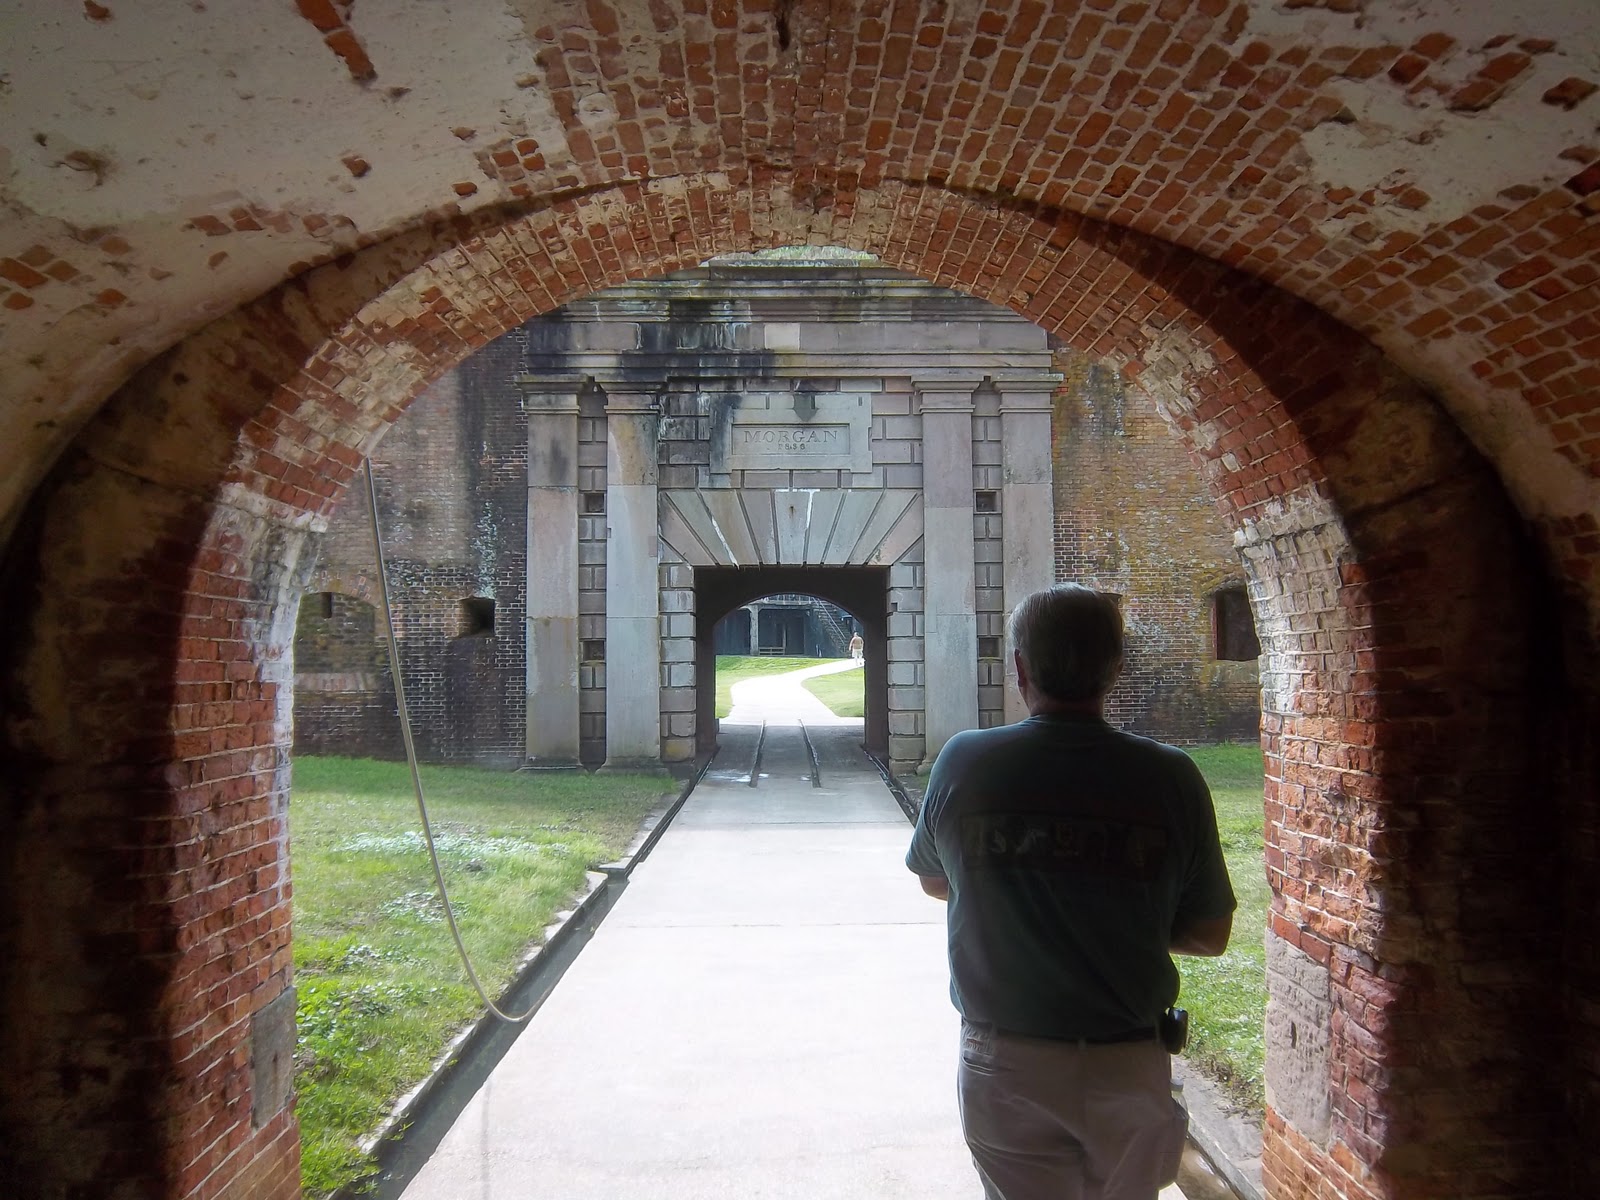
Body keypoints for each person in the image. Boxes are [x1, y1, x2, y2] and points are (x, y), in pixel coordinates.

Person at [906, 584, 1235, 1200]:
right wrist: (1116, 915)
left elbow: (933, 877)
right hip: (1127, 1061)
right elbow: (1210, 933)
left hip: (1006, 1062)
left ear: (1020, 668)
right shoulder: (1171, 777)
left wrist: (1022, 897)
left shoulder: (965, 763)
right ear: (1115, 668)